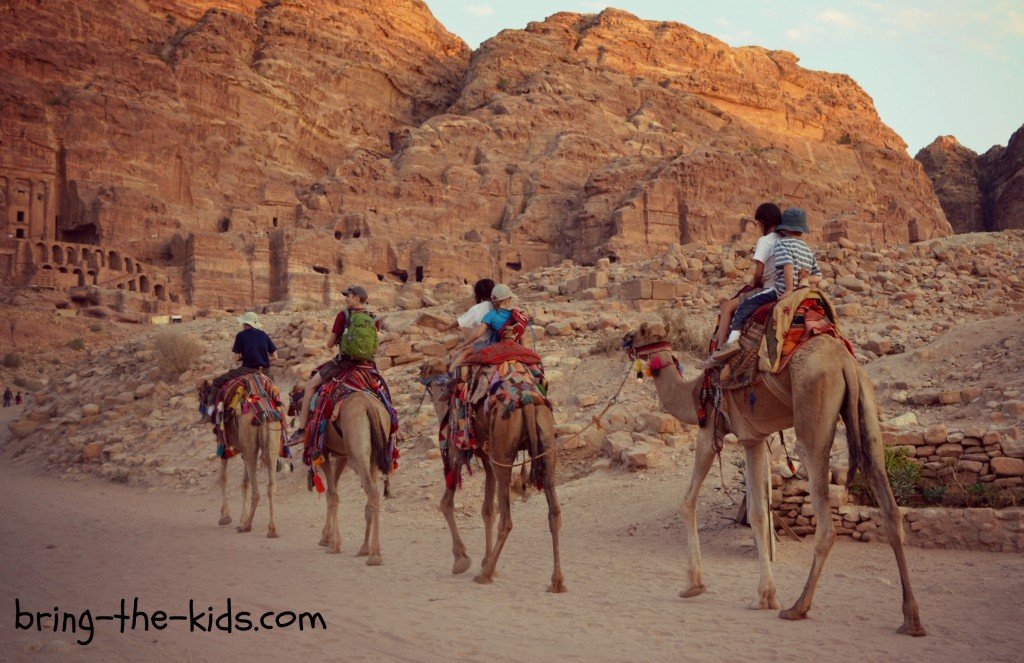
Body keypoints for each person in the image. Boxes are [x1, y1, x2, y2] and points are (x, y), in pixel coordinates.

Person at [709, 207, 821, 363]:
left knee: (737, 307)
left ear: (761, 223)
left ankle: (725, 348)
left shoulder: (779, 243)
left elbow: (773, 269)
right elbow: (819, 276)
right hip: (802, 291)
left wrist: (786, 288)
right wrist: (806, 278)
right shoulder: (808, 250)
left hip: (775, 288)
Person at [289, 285, 379, 444]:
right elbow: (375, 346)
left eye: (348, 296)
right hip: (367, 365)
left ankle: (302, 430)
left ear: (357, 298)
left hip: (344, 363)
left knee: (310, 386)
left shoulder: (343, 315)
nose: (346, 299)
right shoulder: (373, 317)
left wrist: (331, 343)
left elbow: (330, 344)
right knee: (381, 394)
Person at [712, 203, 782, 351]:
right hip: (785, 286)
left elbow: (758, 274)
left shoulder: (765, 241)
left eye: (757, 224)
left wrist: (755, 283)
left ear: (762, 223)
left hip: (769, 288)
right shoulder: (785, 239)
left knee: (727, 307)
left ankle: (718, 352)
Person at [204, 311, 278, 413]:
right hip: (265, 371)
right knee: (273, 390)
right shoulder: (264, 335)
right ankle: (277, 410)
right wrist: (261, 358)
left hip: (247, 370)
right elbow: (275, 356)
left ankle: (211, 409)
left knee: (216, 382)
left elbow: (235, 357)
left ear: (245, 324)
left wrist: (242, 358)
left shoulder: (241, 335)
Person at [449, 283, 517, 370]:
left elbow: (478, 334)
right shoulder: (513, 313)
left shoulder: (491, 314)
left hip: (494, 344)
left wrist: (464, 344)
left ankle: (448, 375)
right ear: (508, 299)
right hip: (511, 344)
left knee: (465, 352)